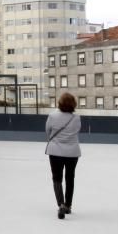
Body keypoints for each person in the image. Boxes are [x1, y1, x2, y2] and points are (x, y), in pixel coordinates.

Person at [45, 92, 81, 220]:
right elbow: (77, 131)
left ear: (59, 103)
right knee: (70, 178)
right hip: (72, 152)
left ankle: (61, 204)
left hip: (55, 151)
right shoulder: (76, 118)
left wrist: (55, 141)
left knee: (57, 178)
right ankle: (68, 205)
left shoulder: (52, 115)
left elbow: (47, 132)